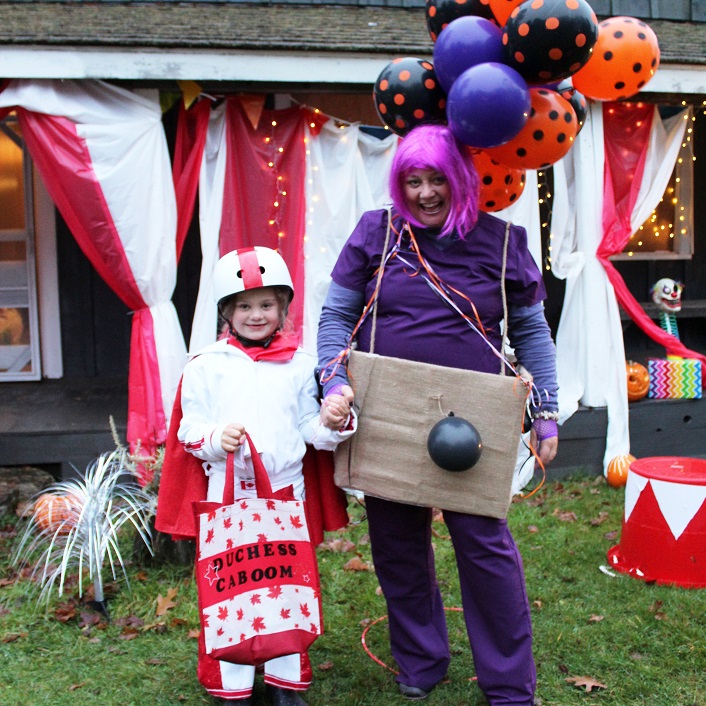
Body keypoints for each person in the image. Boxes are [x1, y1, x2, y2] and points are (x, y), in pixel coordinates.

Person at [317, 123, 558, 705]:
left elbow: (530, 331)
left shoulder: (503, 242)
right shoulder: (376, 233)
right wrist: (333, 380)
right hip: (387, 410)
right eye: (413, 181)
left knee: (484, 545)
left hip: (473, 418)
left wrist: (546, 410)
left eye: (437, 180)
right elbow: (335, 318)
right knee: (396, 544)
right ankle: (420, 661)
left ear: (461, 179)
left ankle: (509, 683)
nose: (425, 193)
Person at [172, 246, 355, 706]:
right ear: (226, 312)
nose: (256, 315)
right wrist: (216, 438)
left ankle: (284, 681)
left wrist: (334, 423)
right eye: (244, 306)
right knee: (230, 584)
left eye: (266, 304)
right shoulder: (205, 365)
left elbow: (309, 429)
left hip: (286, 492)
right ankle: (232, 684)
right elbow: (188, 430)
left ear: (283, 307)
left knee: (285, 584)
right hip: (227, 492)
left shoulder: (301, 363)